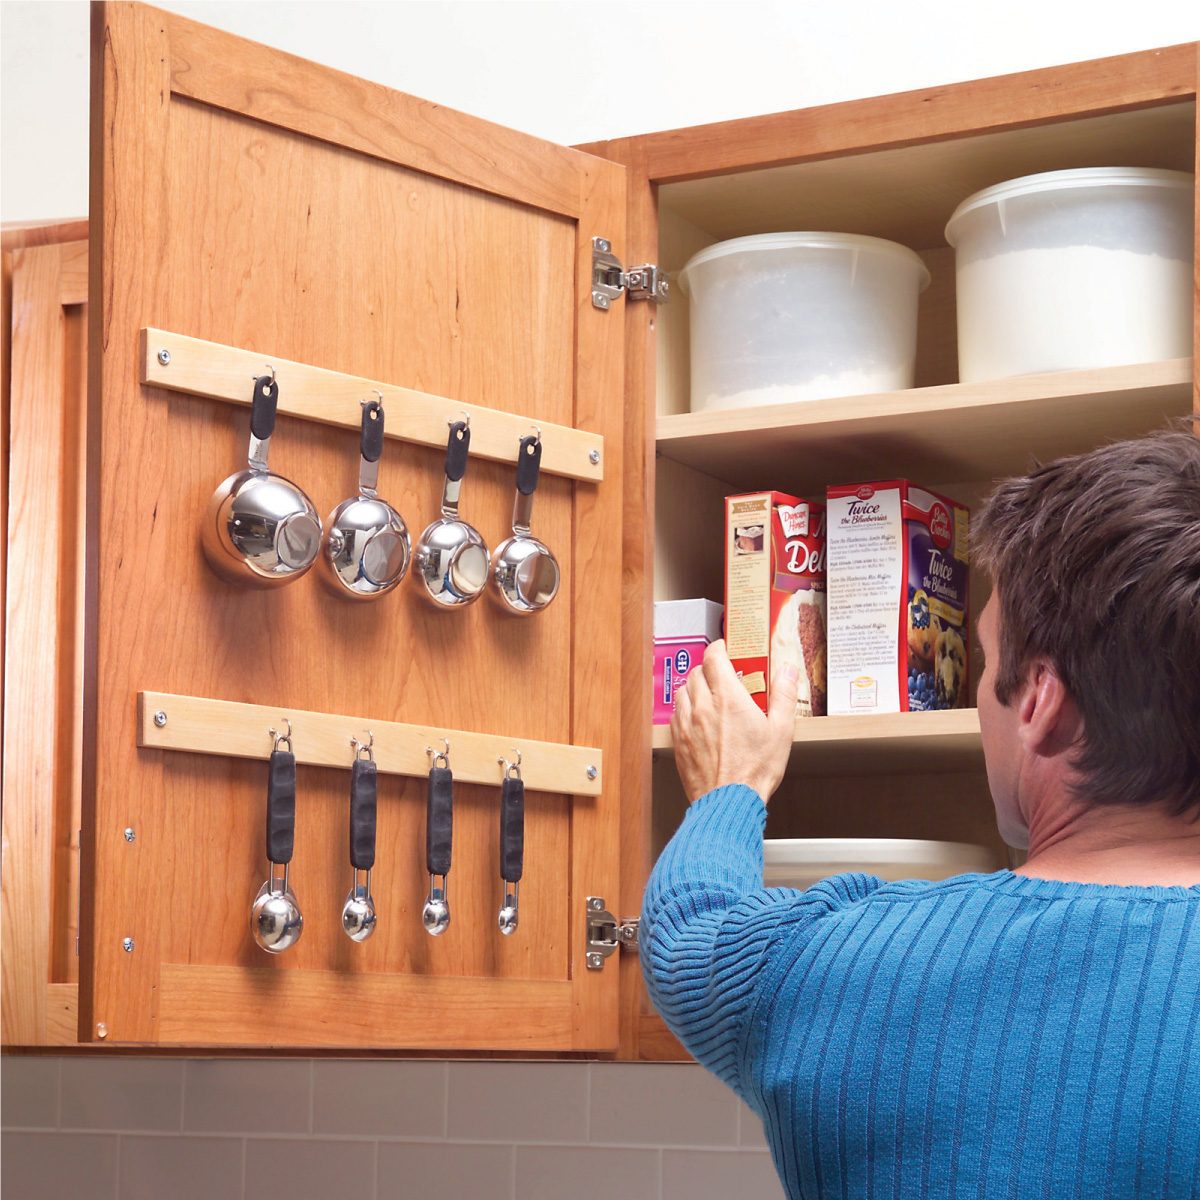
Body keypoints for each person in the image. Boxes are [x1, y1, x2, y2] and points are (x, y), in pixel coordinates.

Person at [643, 428, 1200, 1199]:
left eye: (984, 659)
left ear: (1040, 703)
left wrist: (729, 788)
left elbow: (690, 933)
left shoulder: (832, 967)